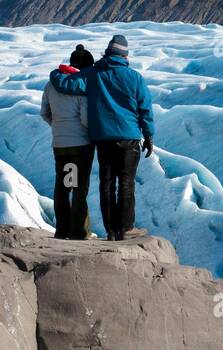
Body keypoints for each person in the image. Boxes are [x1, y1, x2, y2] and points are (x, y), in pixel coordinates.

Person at [48, 33, 155, 241]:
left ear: (107, 52)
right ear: (125, 56)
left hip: (102, 138)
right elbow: (145, 109)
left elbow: (66, 84)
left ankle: (111, 231)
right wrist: (149, 135)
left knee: (106, 183)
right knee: (126, 182)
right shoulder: (135, 77)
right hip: (129, 136)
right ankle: (125, 228)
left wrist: (55, 73)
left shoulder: (93, 73)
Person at [41, 44, 96, 239]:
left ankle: (62, 229)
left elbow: (44, 113)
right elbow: (85, 119)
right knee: (80, 188)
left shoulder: (50, 85)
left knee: (64, 185)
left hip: (61, 146)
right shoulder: (80, 85)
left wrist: (58, 128)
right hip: (81, 146)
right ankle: (79, 231)